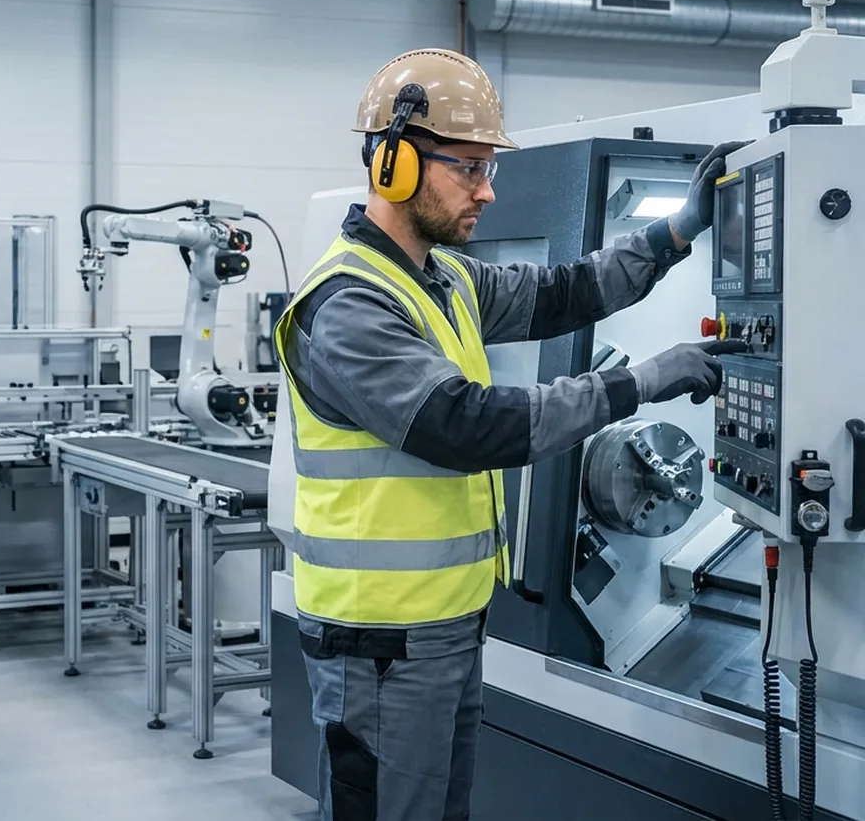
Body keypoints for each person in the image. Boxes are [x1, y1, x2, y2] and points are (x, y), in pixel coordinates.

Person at [271, 47, 749, 821]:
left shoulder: (443, 277)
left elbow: (567, 292)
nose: (489, 192)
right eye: (470, 169)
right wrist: (643, 381)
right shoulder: (351, 304)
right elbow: (469, 425)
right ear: (393, 163)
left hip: (444, 626)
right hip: (381, 641)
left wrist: (680, 230)